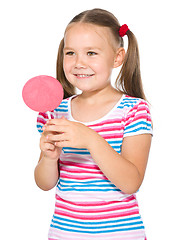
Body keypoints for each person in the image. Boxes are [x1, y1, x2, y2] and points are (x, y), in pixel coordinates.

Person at [35, 8, 152, 240]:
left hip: (121, 235)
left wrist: (90, 139)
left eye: (91, 53)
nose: (79, 63)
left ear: (117, 57)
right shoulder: (54, 112)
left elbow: (131, 182)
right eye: (70, 53)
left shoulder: (134, 110)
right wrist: (49, 158)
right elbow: (44, 183)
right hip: (64, 234)